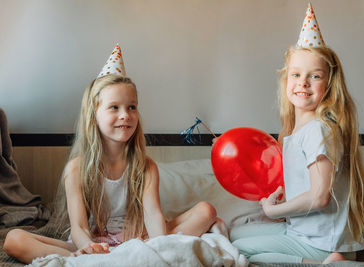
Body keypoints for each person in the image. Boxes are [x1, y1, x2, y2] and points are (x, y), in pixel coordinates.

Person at [3, 45, 217, 264]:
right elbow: (78, 226)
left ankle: (120, 259)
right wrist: (88, 247)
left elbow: (153, 216)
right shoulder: (77, 168)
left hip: (137, 238)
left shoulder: (146, 166)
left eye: (132, 107)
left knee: (206, 211)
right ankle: (92, 260)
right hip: (93, 242)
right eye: (114, 107)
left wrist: (159, 246)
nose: (125, 115)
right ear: (94, 116)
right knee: (14, 239)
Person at [229, 4, 364, 264]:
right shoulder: (301, 130)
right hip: (306, 234)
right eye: (296, 74)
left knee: (239, 249)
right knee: (235, 234)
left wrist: (273, 209)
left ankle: (335, 263)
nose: (303, 82)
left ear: (329, 85)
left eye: (314, 76)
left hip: (322, 243)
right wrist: (281, 207)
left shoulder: (318, 129)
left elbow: (320, 196)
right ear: (286, 81)